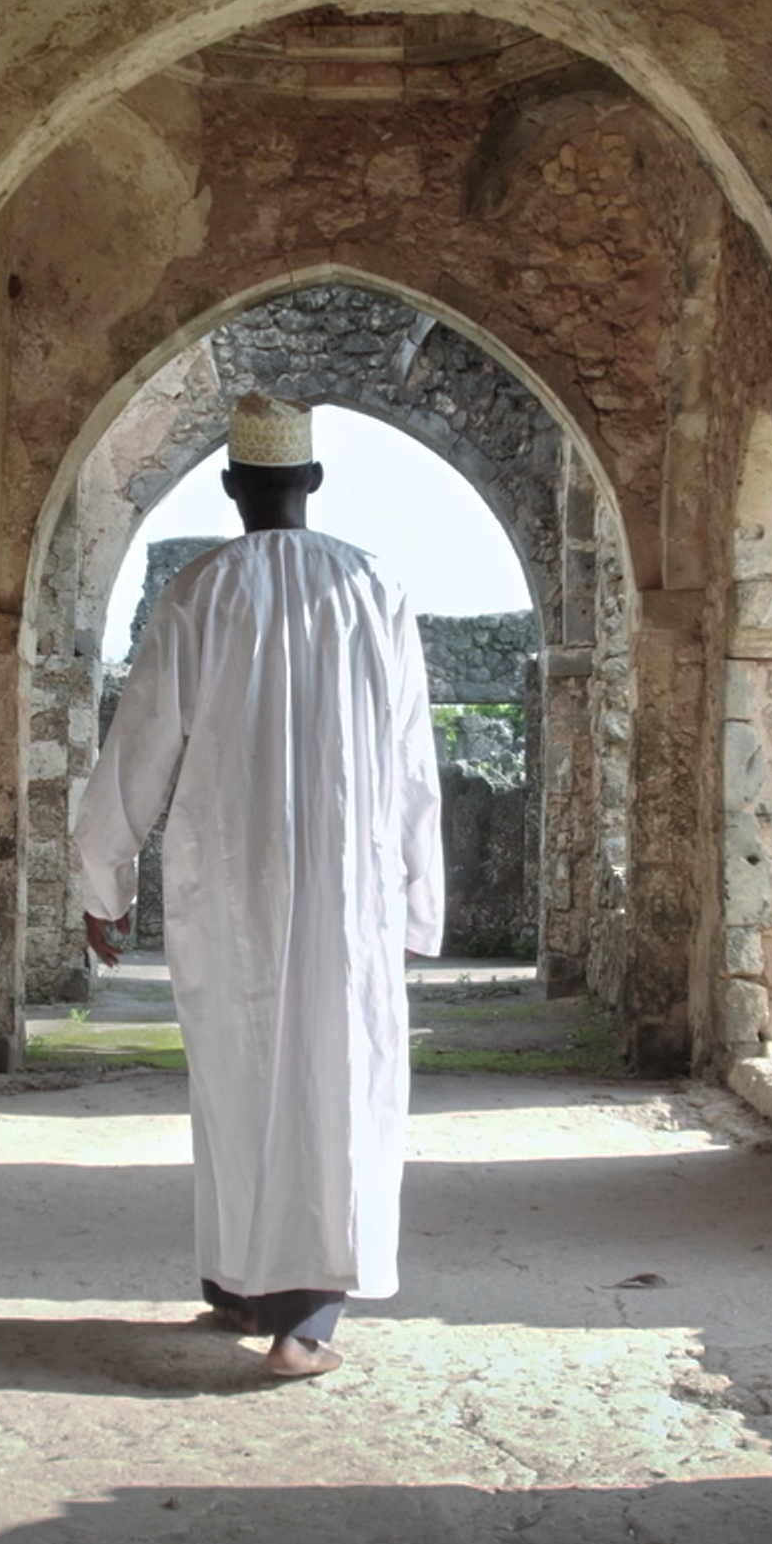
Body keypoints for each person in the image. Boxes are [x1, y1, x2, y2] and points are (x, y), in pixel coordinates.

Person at [75, 393, 444, 1381]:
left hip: (231, 882)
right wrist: (417, 899)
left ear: (233, 485)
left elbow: (142, 742)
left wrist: (100, 880)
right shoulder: (374, 588)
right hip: (346, 889)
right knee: (335, 1081)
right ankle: (282, 1305)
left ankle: (280, 1304)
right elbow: (413, 761)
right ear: (310, 483)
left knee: (241, 1082)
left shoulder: (200, 589)